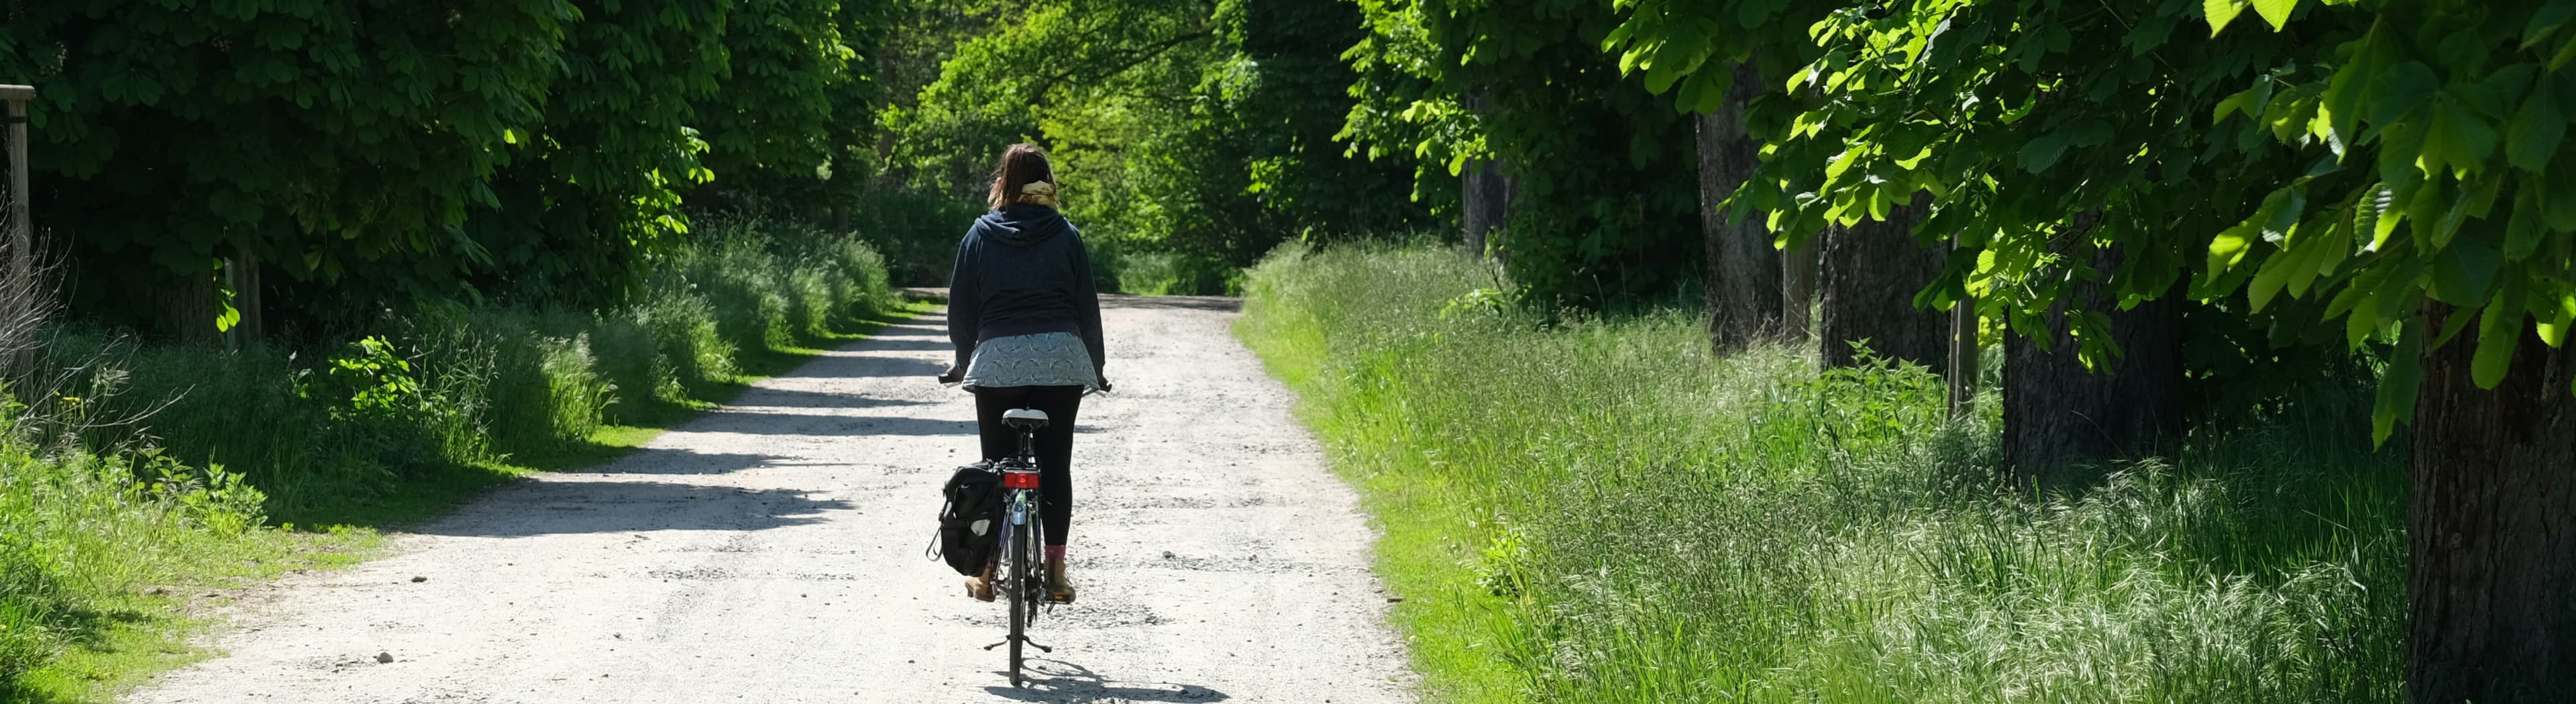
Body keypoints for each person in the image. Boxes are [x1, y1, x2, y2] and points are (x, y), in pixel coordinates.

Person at [938, 142, 1106, 604]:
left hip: (997, 363)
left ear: (1003, 183)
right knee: (1055, 465)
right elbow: (1086, 308)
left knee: (995, 466)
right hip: (1061, 359)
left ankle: (988, 570)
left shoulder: (978, 234)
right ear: (1047, 181)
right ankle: (1055, 570)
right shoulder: (1067, 234)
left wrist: (961, 357)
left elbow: (962, 309)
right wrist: (1097, 365)